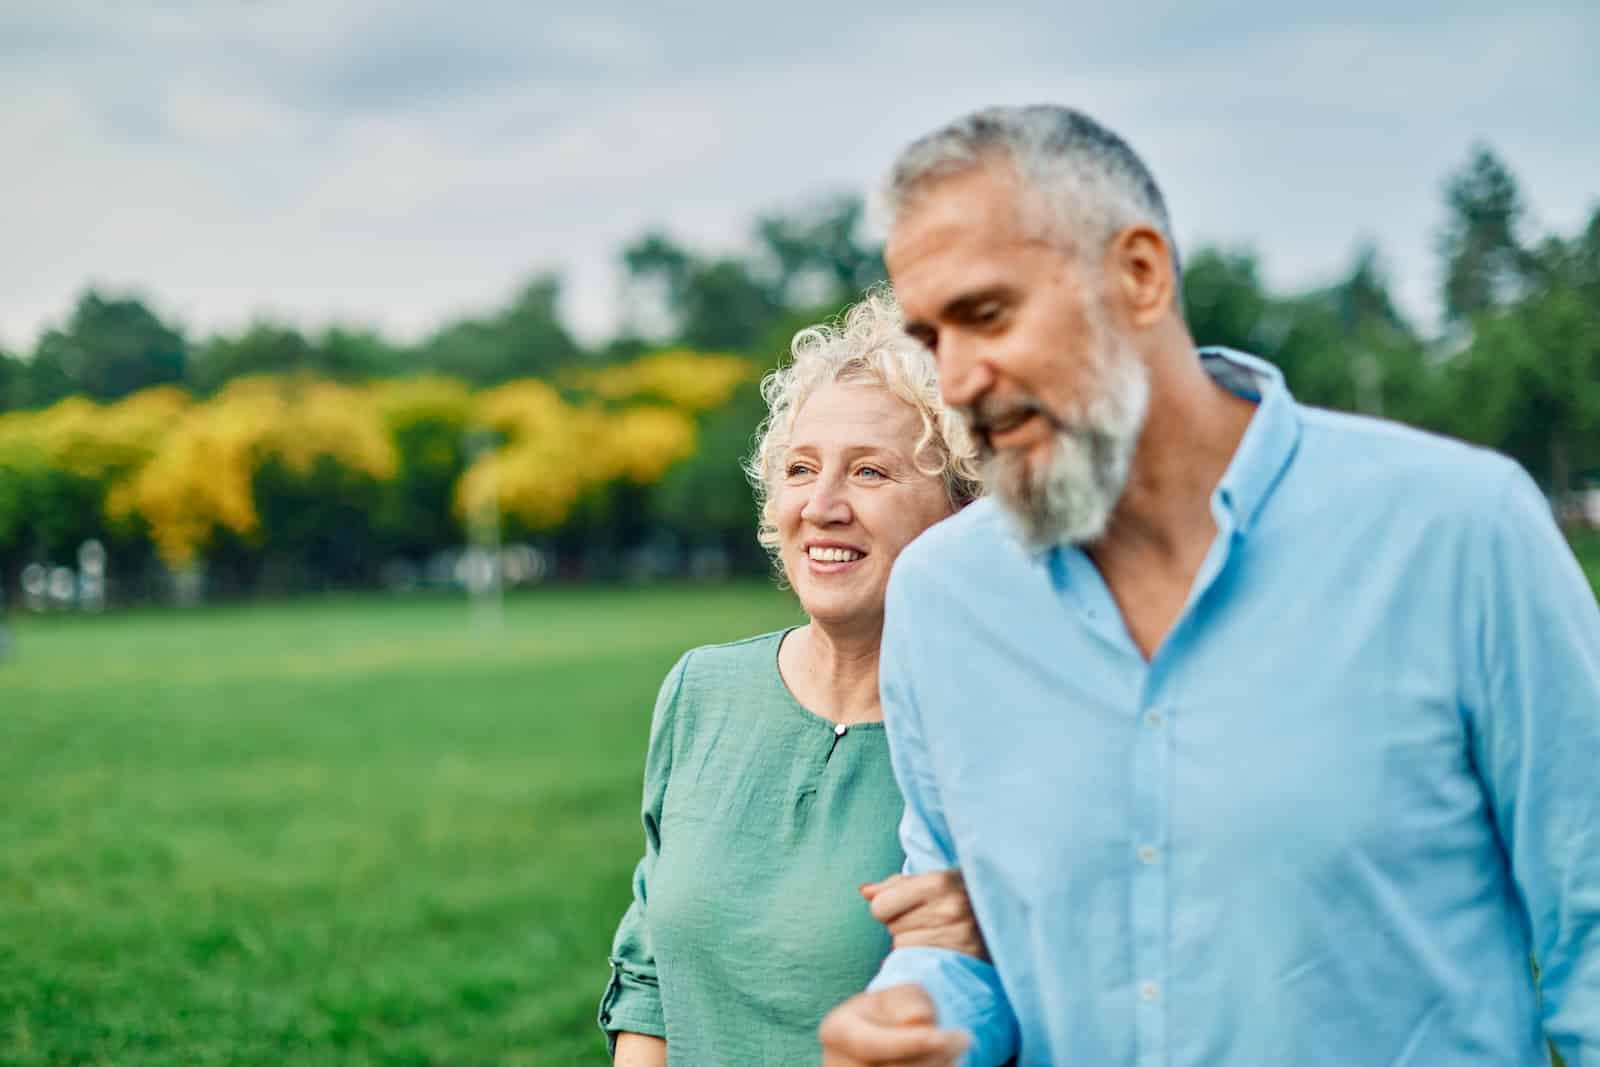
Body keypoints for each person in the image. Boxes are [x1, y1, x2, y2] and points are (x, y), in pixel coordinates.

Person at [819, 104, 1600, 1066]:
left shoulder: (1458, 531)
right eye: (934, 337)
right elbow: (960, 936)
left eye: (989, 315)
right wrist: (919, 1012)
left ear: (1140, 275)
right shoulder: (942, 597)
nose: (961, 378)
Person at [600, 290, 990, 1066]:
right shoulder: (700, 690)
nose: (821, 505)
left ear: (964, 510)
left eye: (870, 472)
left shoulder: (997, 733)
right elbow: (647, 978)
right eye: (801, 468)